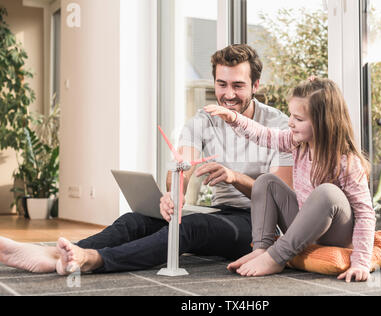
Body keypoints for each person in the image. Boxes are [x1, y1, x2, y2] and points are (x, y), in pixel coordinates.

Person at [0, 44, 293, 275]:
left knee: (190, 229)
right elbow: (183, 167)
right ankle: (56, 255)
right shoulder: (203, 120)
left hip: (259, 226)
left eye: (238, 86)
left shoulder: (278, 126)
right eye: (221, 84)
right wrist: (173, 194)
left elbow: (279, 197)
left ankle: (93, 259)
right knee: (136, 220)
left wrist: (234, 177)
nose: (228, 95)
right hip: (218, 213)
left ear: (256, 85)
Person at [204, 76, 376, 282]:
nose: (290, 123)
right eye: (291, 116)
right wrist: (234, 118)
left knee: (327, 193)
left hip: (336, 235)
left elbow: (365, 214)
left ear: (324, 123)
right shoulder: (296, 142)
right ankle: (261, 249)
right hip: (306, 227)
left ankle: (276, 257)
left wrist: (361, 262)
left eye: (299, 119)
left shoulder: (347, 162)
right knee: (265, 181)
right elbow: (263, 134)